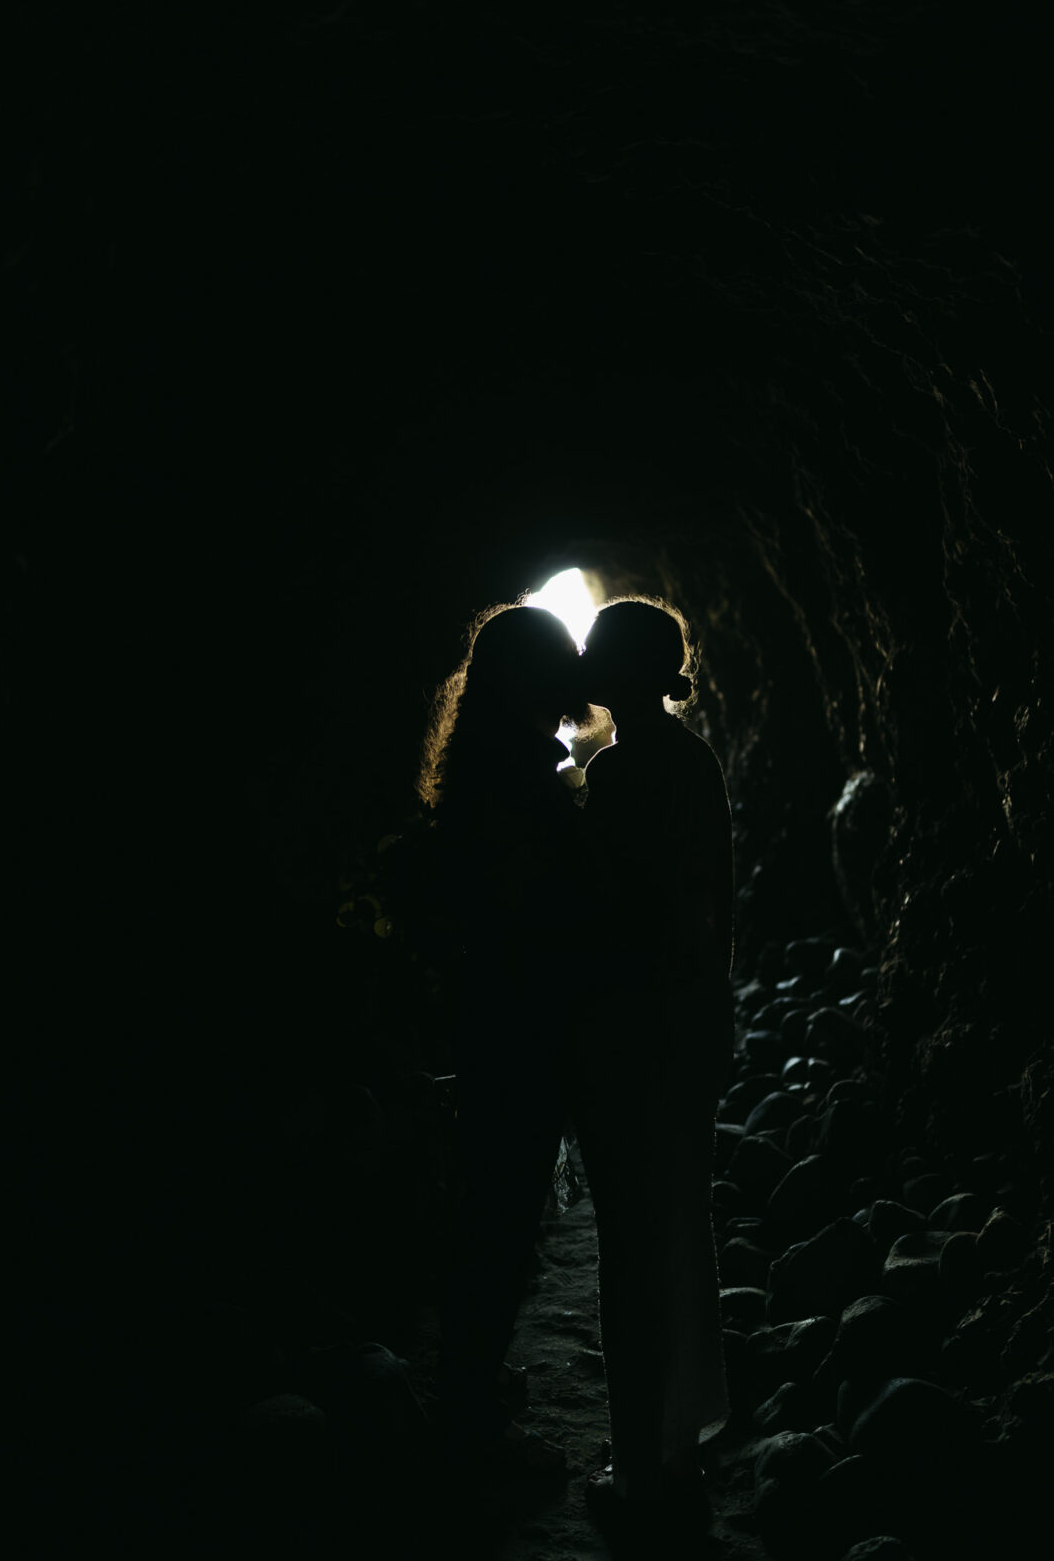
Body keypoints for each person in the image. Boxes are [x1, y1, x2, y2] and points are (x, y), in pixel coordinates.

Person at [416, 602, 588, 1472]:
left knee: (490, 1203)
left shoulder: (481, 763)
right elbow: (533, 909)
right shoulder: (519, 776)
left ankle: (468, 1390)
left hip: (489, 1014)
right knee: (501, 1210)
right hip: (519, 1020)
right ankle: (470, 1414)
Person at [574, 597, 735, 1525]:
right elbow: (717, 905)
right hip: (686, 1026)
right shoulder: (698, 761)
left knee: (630, 1247)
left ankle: (637, 1468)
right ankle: (677, 1450)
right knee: (679, 1232)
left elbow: (603, 923)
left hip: (629, 1034)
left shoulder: (622, 773)